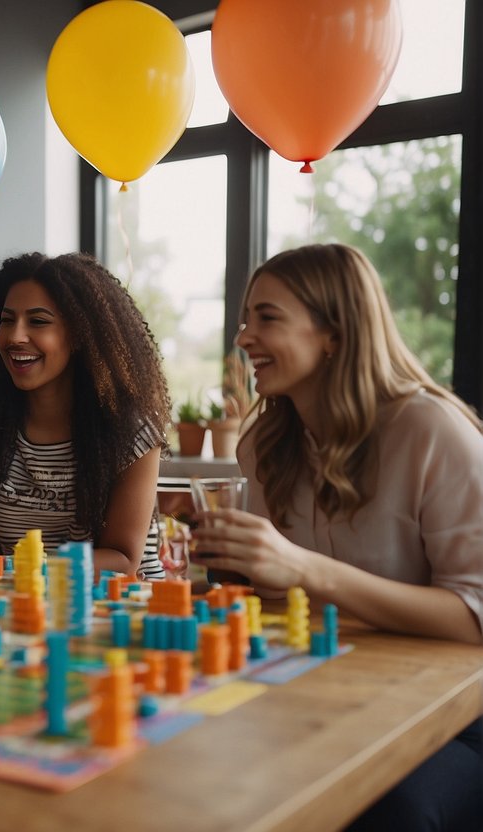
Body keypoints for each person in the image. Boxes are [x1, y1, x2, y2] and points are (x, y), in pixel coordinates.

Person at [192, 243, 482, 830]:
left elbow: (476, 616)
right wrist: (233, 573)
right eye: (247, 319)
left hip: (448, 715)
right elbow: (274, 598)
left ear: (335, 333)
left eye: (267, 318)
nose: (244, 337)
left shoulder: (431, 430)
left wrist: (302, 568)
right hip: (322, 689)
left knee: (391, 813)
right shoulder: (263, 444)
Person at [0, 252, 170, 578]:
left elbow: (123, 561)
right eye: (7, 319)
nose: (15, 336)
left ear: (81, 335)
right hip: (23, 606)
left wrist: (25, 567)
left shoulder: (132, 431)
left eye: (38, 321)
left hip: (119, 612)